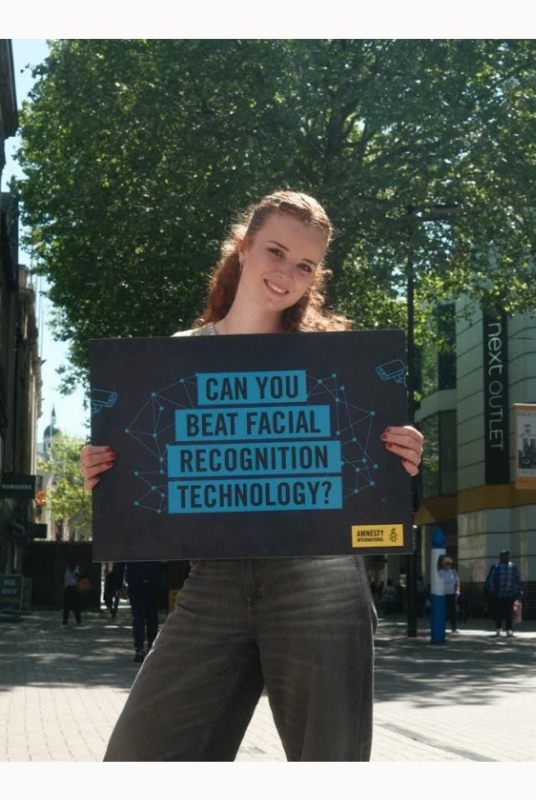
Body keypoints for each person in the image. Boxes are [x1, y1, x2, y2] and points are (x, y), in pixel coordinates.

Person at [81, 191, 425, 761]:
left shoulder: (336, 360)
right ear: (242, 248)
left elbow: (367, 476)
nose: (287, 273)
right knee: (137, 758)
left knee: (329, 765)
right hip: (212, 581)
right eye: (276, 251)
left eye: (305, 265)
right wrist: (104, 469)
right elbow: (149, 479)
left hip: (320, 580)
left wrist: (405, 453)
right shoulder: (176, 357)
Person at [125, 561, 165, 663]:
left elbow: (121, 560)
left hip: (135, 580)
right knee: (152, 616)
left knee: (138, 617)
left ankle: (139, 648)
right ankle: (151, 646)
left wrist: (117, 585)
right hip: (153, 579)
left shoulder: (130, 545)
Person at [485, 549, 524, 637]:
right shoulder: (495, 566)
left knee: (509, 612)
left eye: (507, 555)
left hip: (509, 593)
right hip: (498, 593)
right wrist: (491, 589)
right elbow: (490, 578)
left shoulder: (513, 567)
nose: (506, 557)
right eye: (504, 555)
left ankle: (509, 629)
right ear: (500, 557)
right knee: (498, 612)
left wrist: (519, 591)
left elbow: (517, 579)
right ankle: (498, 628)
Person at [436, 555, 460, 634]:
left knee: (453, 611)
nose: (448, 565)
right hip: (443, 595)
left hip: (452, 594)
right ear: (443, 564)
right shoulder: (440, 573)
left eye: (450, 563)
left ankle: (454, 627)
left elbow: (457, 582)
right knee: (445, 612)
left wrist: (457, 591)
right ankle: (441, 626)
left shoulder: (453, 571)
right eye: (446, 563)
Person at [62, 560, 83, 626]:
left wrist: (79, 575)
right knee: (66, 605)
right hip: (68, 588)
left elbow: (83, 577)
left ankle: (78, 619)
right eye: (71, 563)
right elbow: (63, 577)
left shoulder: (78, 568)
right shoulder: (66, 569)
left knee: (77, 605)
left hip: (76, 588)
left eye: (73, 563)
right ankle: (65, 619)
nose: (72, 564)